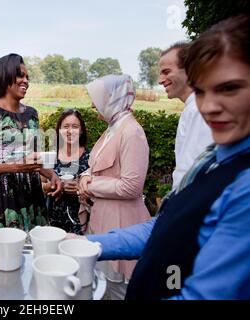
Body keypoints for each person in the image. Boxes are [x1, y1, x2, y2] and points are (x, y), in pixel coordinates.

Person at [72, 14, 250, 300]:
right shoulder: (215, 158)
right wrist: (90, 244)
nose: (210, 107)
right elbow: (169, 222)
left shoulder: (243, 185)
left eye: (229, 88)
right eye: (201, 92)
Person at [0, 53, 62, 232]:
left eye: (27, 77)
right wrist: (17, 167)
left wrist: (51, 175)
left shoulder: (32, 114)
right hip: (1, 198)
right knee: (4, 255)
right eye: (20, 75)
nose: (26, 81)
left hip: (32, 195)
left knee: (35, 252)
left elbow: (31, 160)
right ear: (4, 75)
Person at [78, 74, 151, 299]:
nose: (92, 104)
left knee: (116, 290)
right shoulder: (113, 128)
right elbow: (99, 164)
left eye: (98, 99)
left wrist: (90, 184)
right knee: (102, 287)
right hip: (102, 219)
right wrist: (86, 175)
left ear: (113, 99)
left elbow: (132, 186)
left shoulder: (132, 132)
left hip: (121, 222)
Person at [158, 42, 214, 189]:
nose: (160, 80)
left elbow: (192, 170)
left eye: (166, 72)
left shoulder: (197, 109)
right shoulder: (192, 107)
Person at [42, 109, 90, 235]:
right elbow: (40, 186)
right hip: (52, 222)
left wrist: (79, 189)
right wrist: (54, 186)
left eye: (75, 127)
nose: (69, 131)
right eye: (65, 127)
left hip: (81, 223)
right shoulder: (50, 156)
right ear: (59, 130)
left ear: (81, 130)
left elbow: (98, 188)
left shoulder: (91, 157)